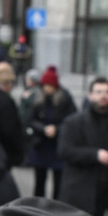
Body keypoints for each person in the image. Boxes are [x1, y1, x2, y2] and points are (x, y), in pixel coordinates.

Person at [57, 77, 108, 216]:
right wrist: (95, 154)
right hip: (80, 193)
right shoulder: (73, 122)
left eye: (107, 92)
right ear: (90, 95)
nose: (103, 96)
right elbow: (64, 151)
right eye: (99, 92)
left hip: (105, 194)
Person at [24, 66, 77, 198]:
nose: (47, 89)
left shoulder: (64, 99)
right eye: (45, 86)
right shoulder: (37, 98)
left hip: (57, 146)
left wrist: (56, 128)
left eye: (49, 86)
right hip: (41, 145)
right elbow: (30, 119)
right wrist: (43, 128)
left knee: (58, 182)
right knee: (39, 182)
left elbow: (71, 120)